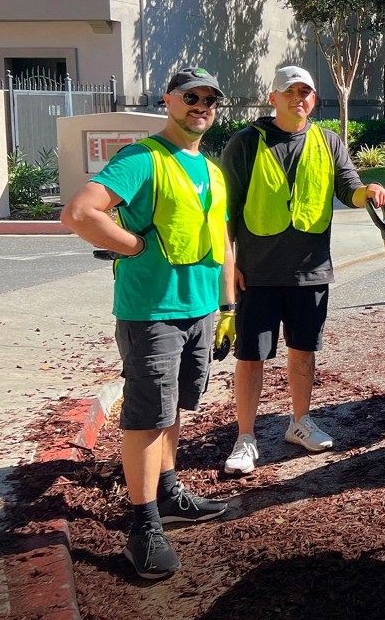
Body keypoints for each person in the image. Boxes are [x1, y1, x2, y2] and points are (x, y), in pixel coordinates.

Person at [61, 68, 235, 579]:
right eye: (191, 97)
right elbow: (79, 213)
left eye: (209, 99)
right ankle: (143, 527)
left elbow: (223, 240)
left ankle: (168, 489)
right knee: (146, 416)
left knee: (173, 408)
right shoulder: (142, 159)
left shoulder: (212, 168)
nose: (201, 104)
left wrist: (226, 308)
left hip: (199, 309)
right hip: (152, 313)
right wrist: (134, 245)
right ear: (168, 100)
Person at [220, 66, 385, 474]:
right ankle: (245, 437)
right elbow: (224, 214)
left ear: (314, 99)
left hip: (310, 272)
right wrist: (229, 271)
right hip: (256, 274)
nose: (299, 98)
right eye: (290, 91)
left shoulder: (328, 141)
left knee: (304, 352)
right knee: (250, 357)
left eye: (306, 92)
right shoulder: (245, 144)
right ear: (273, 97)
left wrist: (366, 191)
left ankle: (300, 422)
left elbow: (347, 185)